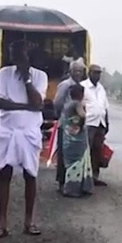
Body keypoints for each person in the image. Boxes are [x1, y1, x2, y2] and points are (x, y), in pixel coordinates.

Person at [0, 39, 47, 238]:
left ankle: (29, 222)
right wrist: (24, 106)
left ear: (29, 55)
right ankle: (2, 224)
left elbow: (37, 103)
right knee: (4, 174)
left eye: (20, 53)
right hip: (8, 130)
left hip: (29, 131)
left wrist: (27, 80)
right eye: (14, 53)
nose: (16, 57)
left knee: (30, 175)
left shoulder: (40, 76)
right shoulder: (4, 73)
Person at [51, 62, 87, 190]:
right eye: (76, 70)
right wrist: (63, 116)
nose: (78, 73)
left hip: (76, 127)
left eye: (80, 71)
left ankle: (74, 182)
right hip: (66, 125)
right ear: (70, 71)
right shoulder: (65, 85)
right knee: (63, 154)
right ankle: (62, 182)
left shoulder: (81, 86)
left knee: (75, 155)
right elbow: (57, 103)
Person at [59, 83, 94, 196]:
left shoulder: (67, 104)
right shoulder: (77, 103)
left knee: (70, 163)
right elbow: (82, 115)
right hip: (77, 139)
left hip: (68, 137)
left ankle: (69, 187)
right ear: (81, 94)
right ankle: (73, 189)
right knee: (77, 163)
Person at [81, 63, 110, 186]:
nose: (97, 75)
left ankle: (94, 176)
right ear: (89, 73)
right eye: (95, 73)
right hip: (89, 123)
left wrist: (107, 122)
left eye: (99, 73)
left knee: (97, 150)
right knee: (86, 150)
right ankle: (84, 176)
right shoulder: (83, 86)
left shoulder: (101, 88)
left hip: (100, 123)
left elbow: (105, 107)